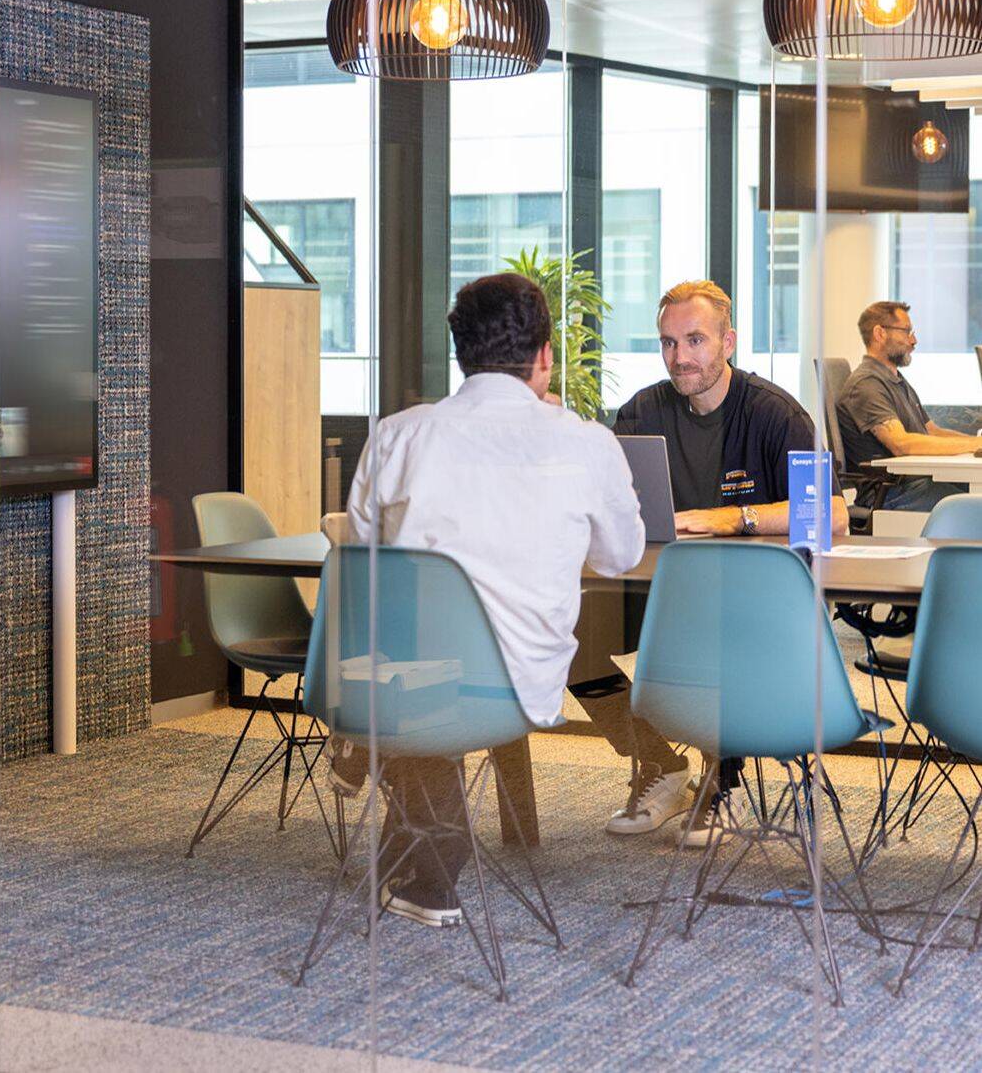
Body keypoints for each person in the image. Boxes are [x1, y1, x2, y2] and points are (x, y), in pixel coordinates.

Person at [328, 271, 646, 928]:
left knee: (383, 663)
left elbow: (362, 554)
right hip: (521, 691)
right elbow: (620, 557)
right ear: (545, 356)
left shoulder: (398, 436)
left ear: (460, 355)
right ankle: (418, 850)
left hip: (416, 685)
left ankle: (417, 823)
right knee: (411, 683)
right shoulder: (585, 442)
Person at [599, 279, 849, 843]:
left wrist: (733, 518)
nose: (680, 357)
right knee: (571, 641)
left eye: (695, 340)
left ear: (727, 342)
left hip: (750, 600)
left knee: (720, 623)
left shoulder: (776, 413)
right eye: (668, 343)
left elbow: (831, 514)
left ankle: (722, 785)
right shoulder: (642, 411)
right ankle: (661, 763)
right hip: (660, 590)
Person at [838, 300, 978, 512]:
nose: (913, 340)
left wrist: (975, 444)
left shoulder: (895, 380)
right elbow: (901, 443)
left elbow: (932, 431)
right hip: (892, 494)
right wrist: (974, 445)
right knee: (975, 507)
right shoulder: (866, 384)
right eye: (906, 332)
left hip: (914, 484)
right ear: (880, 333)